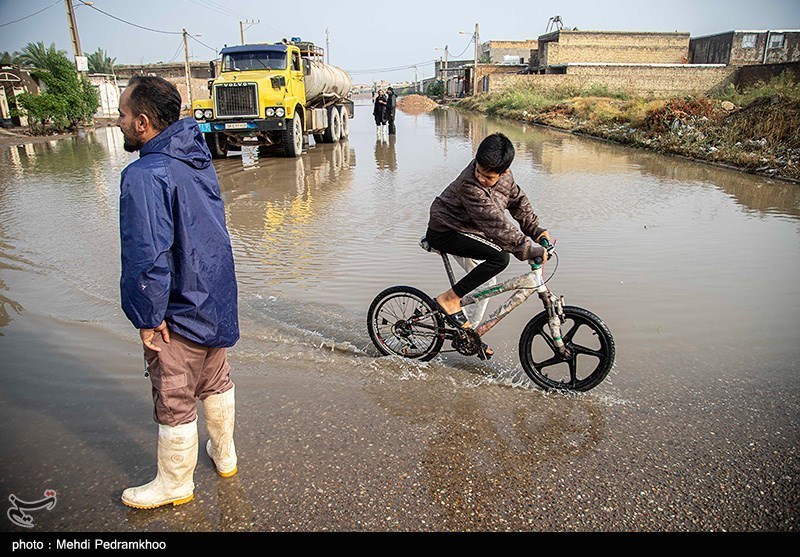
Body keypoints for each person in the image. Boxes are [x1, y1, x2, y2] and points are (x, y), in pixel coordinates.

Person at [116, 76, 240, 509]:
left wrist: (147, 317)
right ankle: (225, 456)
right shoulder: (196, 158)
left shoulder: (144, 175)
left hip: (178, 310)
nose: (119, 122)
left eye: (123, 115)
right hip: (214, 299)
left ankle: (175, 483)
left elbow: (146, 256)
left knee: (174, 398)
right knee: (215, 381)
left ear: (144, 122)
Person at [425, 132, 551, 358]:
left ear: (505, 172)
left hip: (471, 230)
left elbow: (518, 203)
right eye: (479, 172)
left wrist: (535, 230)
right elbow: (496, 224)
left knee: (487, 282)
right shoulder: (469, 186)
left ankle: (468, 335)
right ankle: (449, 299)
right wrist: (526, 249)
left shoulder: (506, 179)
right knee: (500, 258)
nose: (481, 178)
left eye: (488, 177)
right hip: (446, 229)